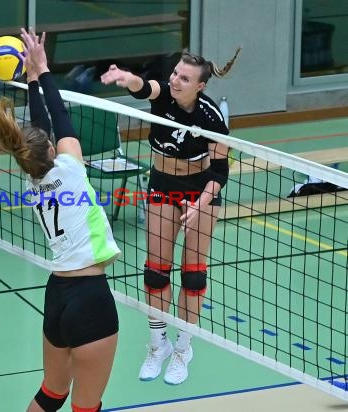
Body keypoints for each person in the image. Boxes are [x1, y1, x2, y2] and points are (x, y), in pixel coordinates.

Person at [0, 28, 120, 412]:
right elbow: (58, 116)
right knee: (85, 406)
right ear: (51, 150)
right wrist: (40, 68)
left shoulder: (34, 179)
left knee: (51, 394)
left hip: (56, 296)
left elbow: (45, 124)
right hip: (90, 299)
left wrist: (32, 77)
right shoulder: (71, 169)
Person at [101, 48, 240, 385]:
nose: (175, 80)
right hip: (163, 184)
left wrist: (200, 204)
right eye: (176, 73)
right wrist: (125, 77)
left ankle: (183, 348)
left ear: (201, 86)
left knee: (193, 275)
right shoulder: (164, 96)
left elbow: (220, 173)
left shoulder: (210, 119)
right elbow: (143, 86)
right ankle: (157, 343)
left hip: (200, 190)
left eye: (184, 78)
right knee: (155, 272)